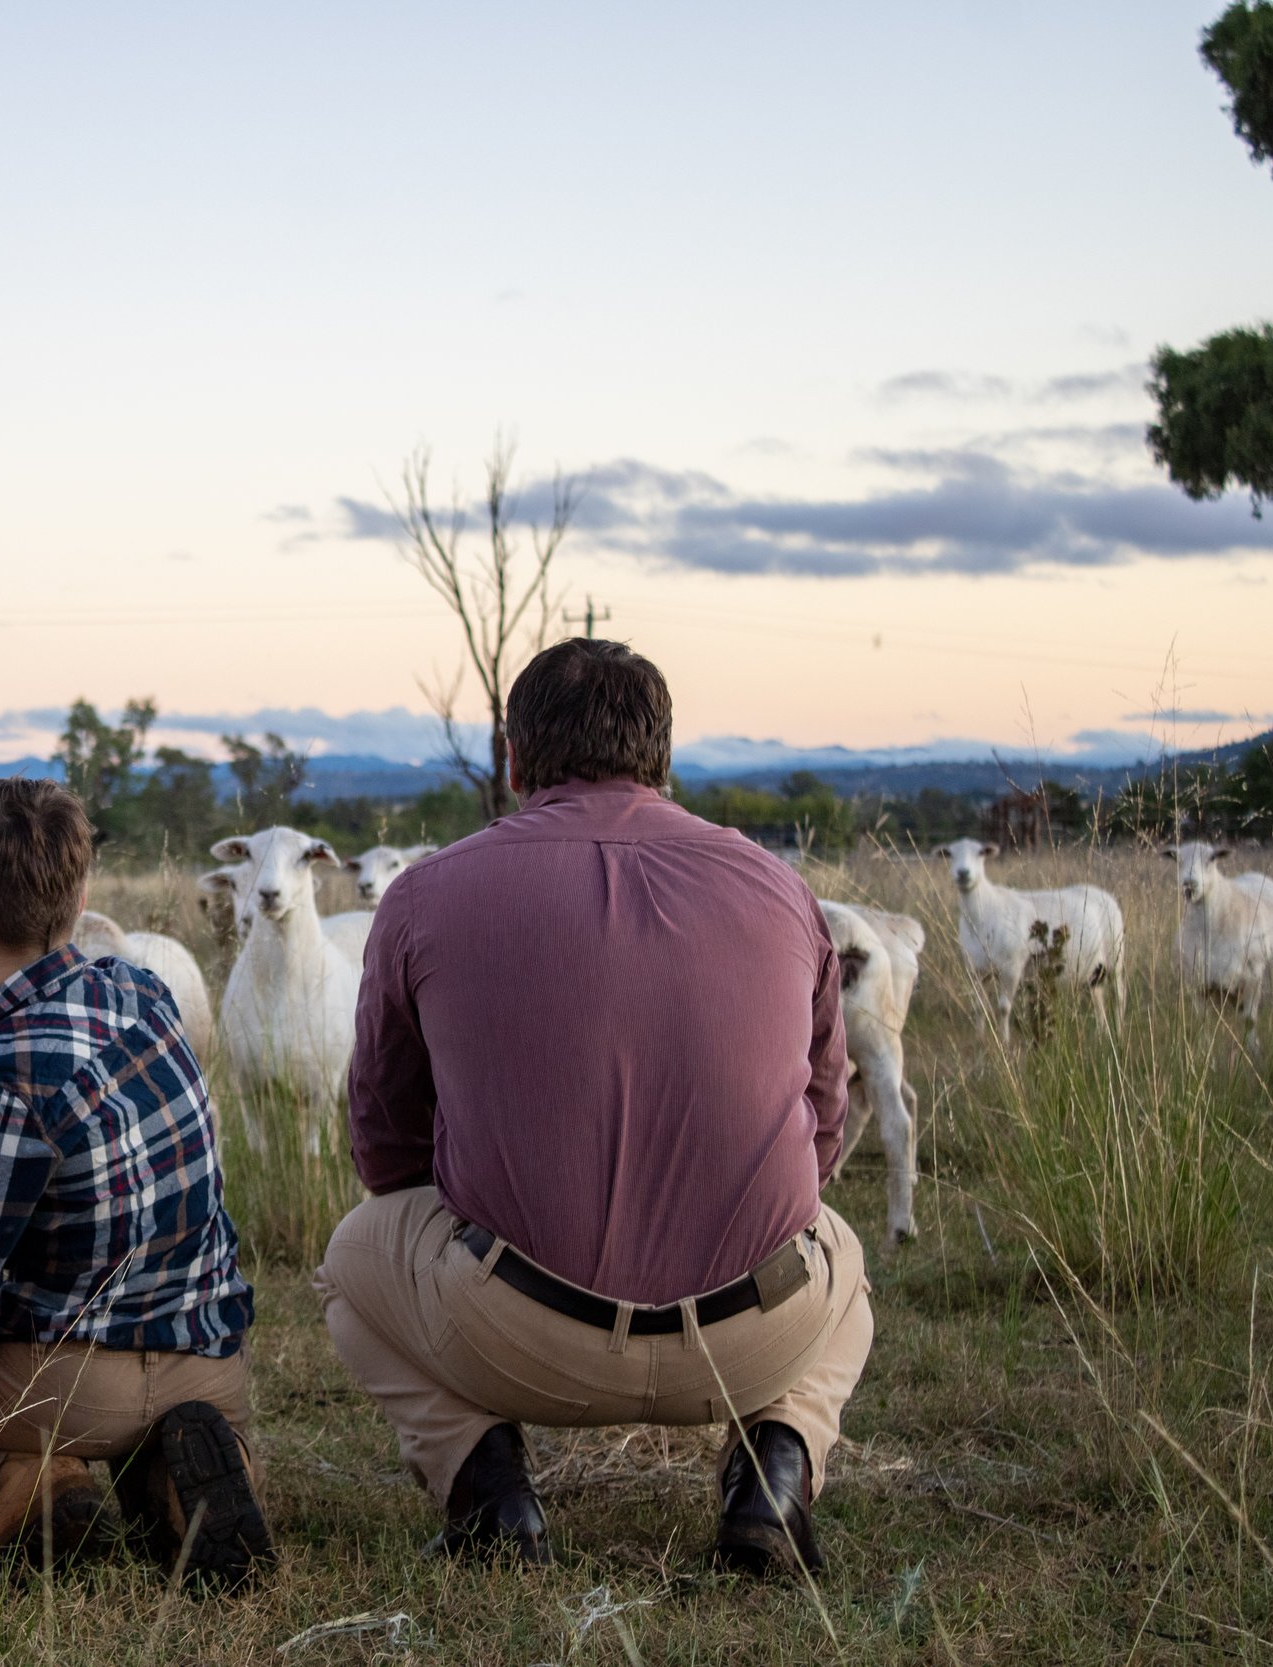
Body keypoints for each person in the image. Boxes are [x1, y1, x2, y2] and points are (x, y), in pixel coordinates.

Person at [317, 638, 872, 1578]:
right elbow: (822, 1130)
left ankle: (487, 1490)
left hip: (518, 1333)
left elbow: (387, 1150)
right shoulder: (784, 890)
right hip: (749, 1337)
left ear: (514, 760)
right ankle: (775, 1472)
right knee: (843, 1264)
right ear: (662, 756)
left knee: (349, 1263)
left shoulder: (422, 897)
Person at [0, 779, 268, 1589]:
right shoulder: (148, 995)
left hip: (65, 1385)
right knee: (155, 1412)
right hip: (207, 1361)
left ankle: (27, 1484)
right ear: (82, 896)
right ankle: (181, 1472)